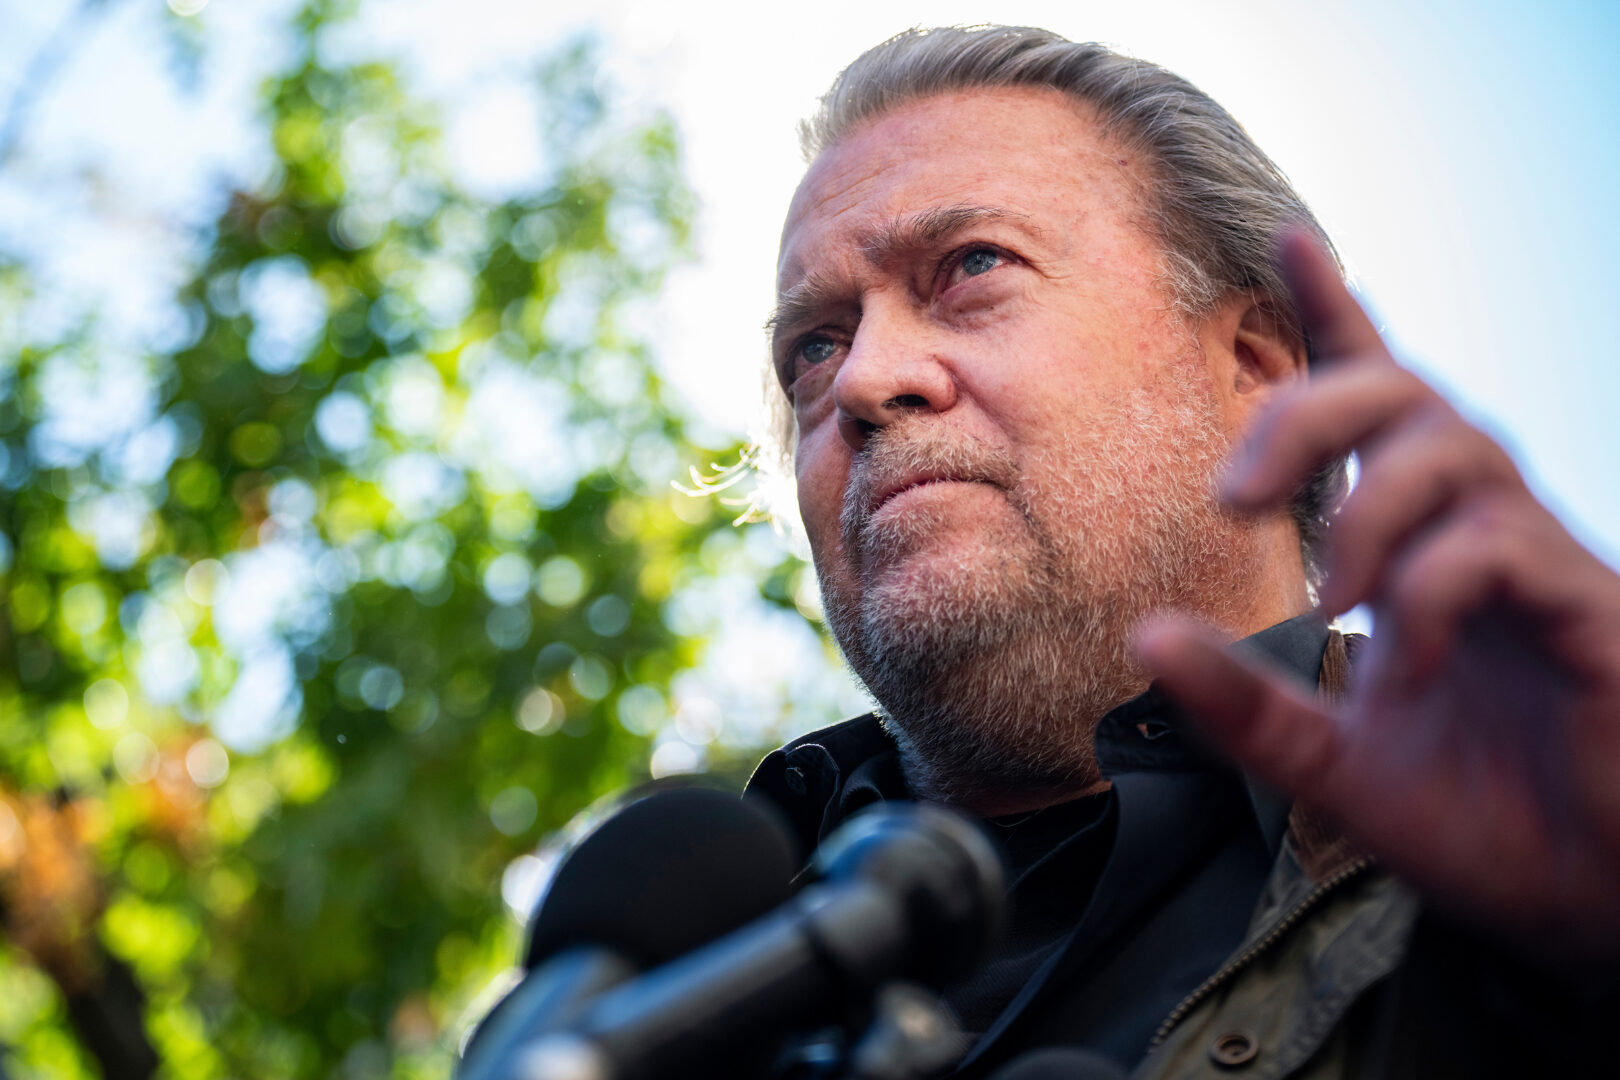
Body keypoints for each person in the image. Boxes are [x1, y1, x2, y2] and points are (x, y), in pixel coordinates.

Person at [743, 24, 1620, 1078]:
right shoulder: (666, 981)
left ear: (1255, 365)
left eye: (973, 265)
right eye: (815, 344)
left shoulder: (1528, 853)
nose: (863, 381)